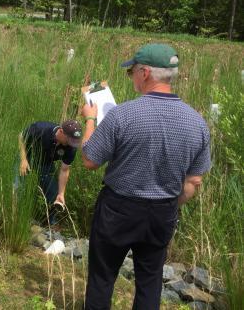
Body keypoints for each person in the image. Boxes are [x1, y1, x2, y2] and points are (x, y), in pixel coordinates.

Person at [80, 43, 211, 310]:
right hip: (162, 212)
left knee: (102, 277)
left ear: (145, 72)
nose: (131, 77)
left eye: (131, 72)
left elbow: (89, 160)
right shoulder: (197, 123)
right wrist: (170, 204)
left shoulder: (122, 115)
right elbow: (194, 182)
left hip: (118, 210)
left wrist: (90, 119)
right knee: (150, 281)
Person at [17, 120, 81, 223]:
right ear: (61, 131)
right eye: (69, 140)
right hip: (27, 155)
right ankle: (18, 220)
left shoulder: (71, 147)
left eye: (74, 141)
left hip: (45, 163)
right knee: (18, 188)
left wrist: (61, 194)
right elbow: (21, 137)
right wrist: (23, 159)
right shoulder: (41, 128)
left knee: (54, 193)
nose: (71, 143)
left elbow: (64, 170)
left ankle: (50, 223)